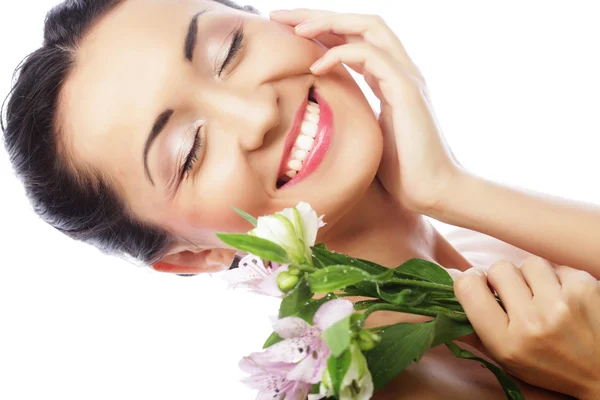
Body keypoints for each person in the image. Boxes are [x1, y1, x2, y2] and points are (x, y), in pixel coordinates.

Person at [2, 0, 599, 398]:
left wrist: (450, 188)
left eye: (228, 50)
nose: (258, 113)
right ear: (190, 256)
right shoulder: (366, 382)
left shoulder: (477, 232)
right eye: (188, 151)